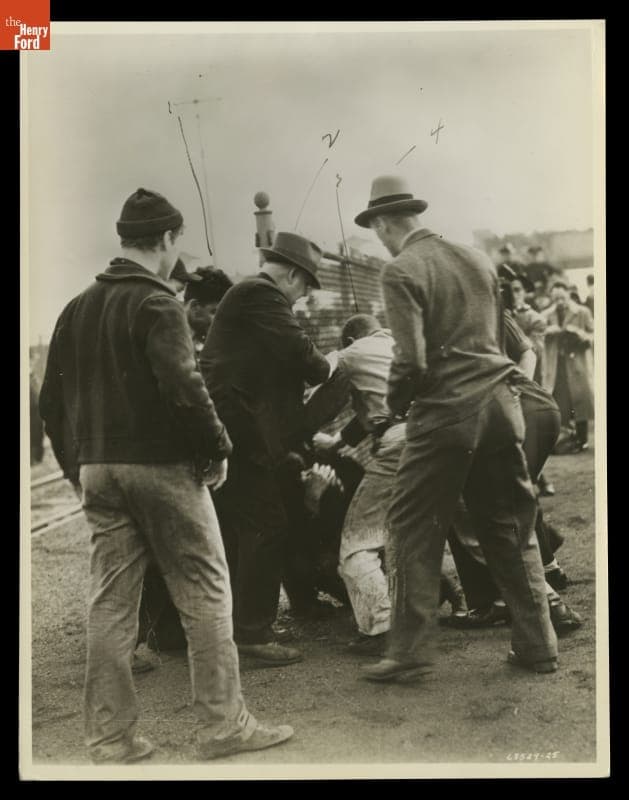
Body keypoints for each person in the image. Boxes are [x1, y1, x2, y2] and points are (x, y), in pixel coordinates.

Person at [39, 187, 293, 763]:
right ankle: (223, 726)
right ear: (169, 240)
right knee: (205, 589)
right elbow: (186, 387)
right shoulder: (157, 304)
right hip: (160, 468)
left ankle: (110, 738)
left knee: (110, 603)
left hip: (100, 471)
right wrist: (218, 447)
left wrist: (77, 469)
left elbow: (51, 402)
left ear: (125, 240)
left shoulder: (75, 308)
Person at [353, 175, 558, 681]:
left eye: (377, 227)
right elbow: (497, 339)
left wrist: (395, 407)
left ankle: (409, 652)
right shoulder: (475, 258)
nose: (379, 236)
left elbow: (411, 360)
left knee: (410, 527)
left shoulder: (402, 270)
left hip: (445, 413)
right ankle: (538, 645)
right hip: (501, 404)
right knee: (510, 527)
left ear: (383, 223)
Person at [200, 231, 337, 667]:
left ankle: (242, 627)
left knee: (250, 527)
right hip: (244, 435)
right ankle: (252, 638)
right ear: (294, 275)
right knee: (266, 524)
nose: (302, 300)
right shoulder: (261, 294)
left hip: (241, 431)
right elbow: (307, 359)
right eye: (305, 288)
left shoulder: (249, 296)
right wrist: (332, 362)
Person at [313, 314, 468, 654]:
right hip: (446, 436)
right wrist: (338, 441)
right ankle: (474, 599)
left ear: (351, 339)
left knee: (357, 543)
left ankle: (382, 628)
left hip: (402, 442)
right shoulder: (407, 343)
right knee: (419, 529)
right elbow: (381, 406)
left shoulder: (352, 352)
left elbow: (318, 373)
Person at [541, 280, 594, 452]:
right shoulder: (545, 315)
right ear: (552, 297)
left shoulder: (582, 312)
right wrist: (547, 331)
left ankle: (582, 439)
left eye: (562, 297)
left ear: (568, 294)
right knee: (560, 399)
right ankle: (566, 438)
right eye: (556, 298)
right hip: (557, 364)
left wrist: (579, 333)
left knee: (579, 399)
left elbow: (594, 334)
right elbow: (537, 335)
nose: (560, 302)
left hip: (577, 362)